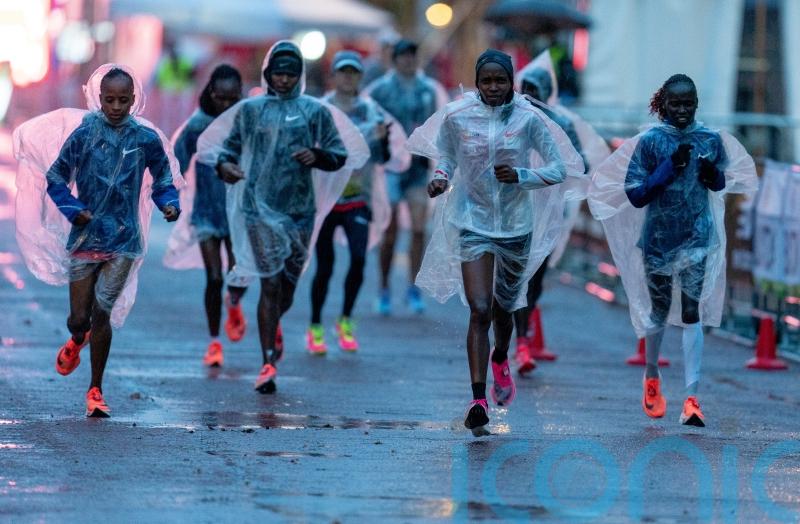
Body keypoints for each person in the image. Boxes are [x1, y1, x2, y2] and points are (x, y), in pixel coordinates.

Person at [407, 50, 583, 435]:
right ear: (477, 82)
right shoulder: (457, 117)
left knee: (505, 309)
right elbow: (445, 158)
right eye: (485, 81)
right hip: (471, 222)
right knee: (480, 308)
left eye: (499, 80)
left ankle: (502, 355)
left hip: (517, 227)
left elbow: (560, 168)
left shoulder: (528, 120)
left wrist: (521, 174)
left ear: (511, 82)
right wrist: (439, 179)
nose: (492, 87)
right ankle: (477, 399)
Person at [196, 41, 368, 393]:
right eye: (279, 73)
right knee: (270, 283)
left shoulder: (315, 111)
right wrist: (226, 167)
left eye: (291, 73)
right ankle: (267, 364)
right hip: (257, 208)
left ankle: (273, 324)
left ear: (300, 75)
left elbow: (339, 155)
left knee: (288, 286)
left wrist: (317, 155)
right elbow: (228, 150)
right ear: (268, 74)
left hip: (300, 211)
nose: (284, 79)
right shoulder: (250, 110)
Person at [13, 64, 182, 417]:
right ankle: (77, 339)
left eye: (123, 100)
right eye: (110, 100)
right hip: (86, 238)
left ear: (134, 100)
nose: (117, 107)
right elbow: (56, 178)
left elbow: (163, 178)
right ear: (98, 99)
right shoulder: (85, 133)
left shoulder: (145, 138)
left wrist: (168, 204)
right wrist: (73, 209)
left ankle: (96, 390)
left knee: (102, 313)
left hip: (124, 240)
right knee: (79, 317)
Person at [588, 74, 757, 427]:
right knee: (661, 308)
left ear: (697, 104)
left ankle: (692, 398)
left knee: (692, 309)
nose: (682, 110)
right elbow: (636, 194)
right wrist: (669, 168)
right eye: (675, 103)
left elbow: (724, 183)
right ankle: (652, 377)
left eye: (689, 103)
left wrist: (713, 175)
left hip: (698, 238)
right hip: (659, 239)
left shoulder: (711, 140)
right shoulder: (650, 143)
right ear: (662, 104)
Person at [510, 50, 610, 375]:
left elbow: (578, 162)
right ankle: (519, 342)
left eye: (535, 90)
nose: (530, 96)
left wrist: (553, 170)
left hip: (549, 210)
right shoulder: (509, 116)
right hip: (513, 208)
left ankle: (522, 335)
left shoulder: (561, 121)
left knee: (536, 277)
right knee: (515, 275)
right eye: (525, 89)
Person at [307, 50, 407, 354]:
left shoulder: (370, 111)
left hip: (358, 198)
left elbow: (384, 159)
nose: (348, 77)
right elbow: (312, 150)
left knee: (360, 260)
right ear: (334, 76)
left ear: (360, 77)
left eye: (353, 72)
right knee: (325, 266)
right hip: (327, 201)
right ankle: (315, 326)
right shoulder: (321, 108)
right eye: (343, 72)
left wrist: (380, 140)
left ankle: (346, 320)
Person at [164, 64, 248, 368]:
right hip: (207, 212)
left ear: (240, 94)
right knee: (213, 277)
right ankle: (214, 342)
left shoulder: (248, 120)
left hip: (240, 212)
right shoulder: (198, 125)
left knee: (239, 274)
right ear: (210, 93)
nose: (226, 104)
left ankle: (235, 302)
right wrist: (169, 199)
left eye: (232, 98)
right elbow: (176, 164)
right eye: (220, 97)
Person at [365, 39, 447, 315]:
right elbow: (366, 125)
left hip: (418, 169)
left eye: (413, 55)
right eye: (403, 56)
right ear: (394, 59)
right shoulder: (380, 90)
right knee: (389, 233)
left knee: (418, 229)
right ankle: (384, 286)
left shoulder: (429, 90)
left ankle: (413, 288)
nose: (408, 61)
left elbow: (442, 128)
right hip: (389, 168)